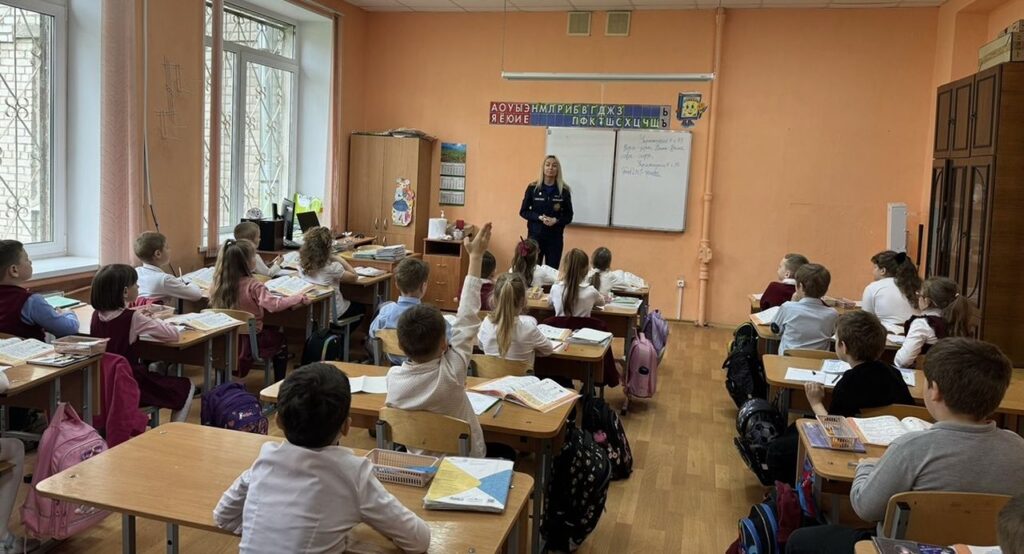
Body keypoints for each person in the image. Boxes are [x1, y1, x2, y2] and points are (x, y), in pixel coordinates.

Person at [785, 338, 1024, 554]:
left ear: (935, 391)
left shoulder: (911, 449)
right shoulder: (1018, 448)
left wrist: (865, 467)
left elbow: (865, 508)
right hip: (989, 548)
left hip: (903, 548)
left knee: (800, 540)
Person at [214, 363, 430, 553]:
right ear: (346, 427)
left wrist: (268, 533)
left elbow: (223, 516)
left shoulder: (264, 462)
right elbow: (418, 540)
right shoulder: (353, 475)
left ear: (278, 421)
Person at [766, 311, 913, 484]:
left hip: (853, 451)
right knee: (796, 427)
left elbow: (836, 431)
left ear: (843, 347)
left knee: (777, 450)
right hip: (892, 448)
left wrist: (815, 402)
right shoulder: (894, 373)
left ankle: (795, 488)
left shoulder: (849, 382)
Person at [385, 223, 492, 458]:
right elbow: (467, 317)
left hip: (419, 465)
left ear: (401, 345)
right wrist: (475, 258)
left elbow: (465, 320)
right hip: (463, 465)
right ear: (444, 344)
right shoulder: (453, 373)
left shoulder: (393, 381)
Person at [89, 264, 194, 422]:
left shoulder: (96, 315)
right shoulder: (133, 318)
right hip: (131, 384)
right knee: (186, 386)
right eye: (135, 284)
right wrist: (153, 319)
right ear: (125, 292)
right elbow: (173, 335)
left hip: (102, 385)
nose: (138, 287)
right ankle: (175, 429)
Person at [209, 239, 309, 379]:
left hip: (226, 340)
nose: (255, 259)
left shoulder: (218, 284)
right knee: (281, 339)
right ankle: (279, 382)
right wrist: (297, 298)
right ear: (246, 262)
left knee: (271, 329)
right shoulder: (254, 285)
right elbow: (274, 306)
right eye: (253, 256)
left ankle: (222, 381)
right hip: (251, 341)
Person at [370, 257, 450, 365]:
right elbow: (450, 339)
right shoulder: (431, 317)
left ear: (397, 284)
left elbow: (373, 333)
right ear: (423, 286)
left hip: (395, 365)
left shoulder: (386, 311)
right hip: (426, 367)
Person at [0, 240, 78, 339]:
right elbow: (68, 329)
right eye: (26, 259)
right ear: (14, 270)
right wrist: (68, 313)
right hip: (30, 349)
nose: (30, 262)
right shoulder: (31, 301)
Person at [894, 276, 972, 369]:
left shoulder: (922, 324)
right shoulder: (958, 320)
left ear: (927, 301)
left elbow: (903, 361)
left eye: (919, 295)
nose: (918, 298)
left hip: (927, 373)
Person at [478, 272, 554, 367]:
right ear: (523, 301)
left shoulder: (486, 323)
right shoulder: (529, 328)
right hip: (522, 377)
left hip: (491, 376)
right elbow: (548, 350)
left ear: (494, 299)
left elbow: (481, 346)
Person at [770, 263, 838, 355]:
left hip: (788, 360)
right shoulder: (833, 314)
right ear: (826, 289)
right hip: (818, 361)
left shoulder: (787, 308)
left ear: (800, 287)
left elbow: (775, 330)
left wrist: (793, 302)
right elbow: (832, 333)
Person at [519, 155, 573, 269]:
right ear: (543, 168)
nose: (550, 168)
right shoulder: (533, 188)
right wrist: (539, 217)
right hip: (535, 237)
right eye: (547, 165)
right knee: (532, 270)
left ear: (558, 169)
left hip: (555, 238)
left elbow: (568, 216)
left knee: (552, 271)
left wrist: (556, 220)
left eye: (554, 165)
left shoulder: (564, 191)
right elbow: (523, 211)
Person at [298, 226, 361, 320]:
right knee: (361, 307)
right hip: (334, 315)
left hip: (312, 315)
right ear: (328, 248)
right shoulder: (332, 268)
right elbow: (354, 277)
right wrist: (339, 258)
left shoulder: (301, 266)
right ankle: (343, 330)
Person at [134, 231, 204, 304]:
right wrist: (193, 283)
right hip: (158, 311)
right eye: (167, 247)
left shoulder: (136, 272)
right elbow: (196, 295)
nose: (170, 250)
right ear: (158, 254)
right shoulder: (164, 279)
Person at [862, 250, 921, 334]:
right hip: (918, 333)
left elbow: (866, 319)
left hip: (889, 335)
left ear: (883, 271)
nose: (873, 271)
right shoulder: (916, 284)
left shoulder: (873, 288)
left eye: (875, 267)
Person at [550, 249, 605, 318]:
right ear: (586, 269)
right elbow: (602, 303)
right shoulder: (592, 291)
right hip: (583, 325)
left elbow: (550, 302)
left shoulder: (555, 288)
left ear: (564, 267)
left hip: (560, 325)